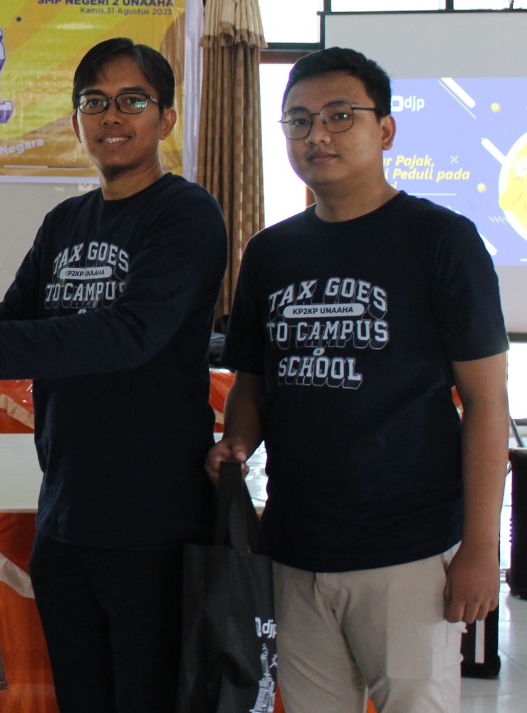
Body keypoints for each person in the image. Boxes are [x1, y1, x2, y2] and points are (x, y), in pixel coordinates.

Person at [0, 38, 226, 712]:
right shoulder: (66, 220)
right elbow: (13, 330)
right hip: (66, 516)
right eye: (94, 102)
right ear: (77, 121)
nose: (112, 116)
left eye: (132, 101)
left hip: (154, 523)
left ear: (165, 118)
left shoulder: (186, 214)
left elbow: (130, 334)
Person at [209, 47, 509, 713]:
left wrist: (481, 548)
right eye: (299, 121)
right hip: (294, 547)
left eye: (340, 116)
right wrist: (237, 444)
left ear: (386, 129)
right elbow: (252, 384)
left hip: (408, 554)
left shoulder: (442, 241)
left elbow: (487, 403)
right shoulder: (270, 253)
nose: (317, 134)